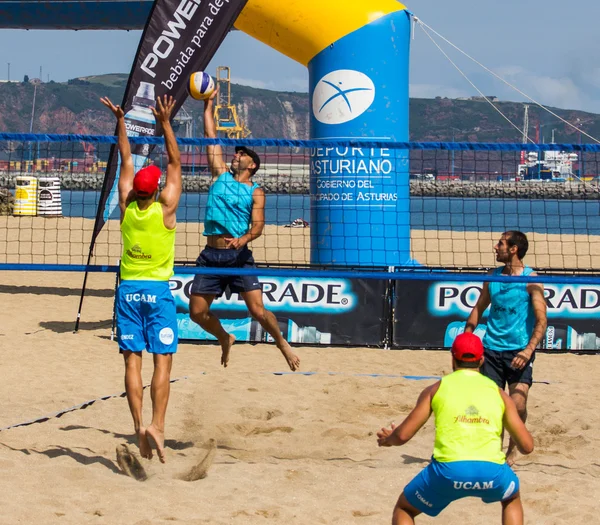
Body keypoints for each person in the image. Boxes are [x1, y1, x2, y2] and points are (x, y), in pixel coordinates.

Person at [188, 87, 300, 371]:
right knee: (197, 313)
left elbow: (259, 226)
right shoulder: (219, 174)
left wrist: (244, 238)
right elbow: (210, 137)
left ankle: (282, 345)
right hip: (211, 255)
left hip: (238, 257)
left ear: (253, 165)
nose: (236, 155)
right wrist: (207, 105)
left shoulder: (256, 191)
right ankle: (226, 338)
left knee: (257, 310)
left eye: (242, 155)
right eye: (236, 153)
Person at [377, 332, 534, 525]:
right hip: (492, 472)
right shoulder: (499, 393)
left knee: (405, 509)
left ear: (452, 359)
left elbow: (402, 436)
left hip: (448, 471)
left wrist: (388, 439)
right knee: (511, 497)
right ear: (482, 360)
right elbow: (527, 446)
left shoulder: (435, 389)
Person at [101, 94, 181, 464]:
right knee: (161, 363)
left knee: (131, 363)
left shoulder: (126, 208)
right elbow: (176, 162)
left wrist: (121, 121)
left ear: (136, 190)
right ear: (158, 189)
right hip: (158, 291)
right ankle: (158, 426)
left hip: (128, 290)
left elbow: (126, 157)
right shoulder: (166, 211)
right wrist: (165, 123)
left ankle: (137, 427)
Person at [465, 230, 546, 465]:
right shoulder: (493, 276)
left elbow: (541, 320)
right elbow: (479, 308)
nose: (495, 247)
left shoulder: (531, 279)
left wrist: (528, 351)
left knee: (518, 404)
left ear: (513, 249)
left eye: (500, 243)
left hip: (519, 350)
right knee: (493, 406)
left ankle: (512, 449)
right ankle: (494, 452)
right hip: (490, 350)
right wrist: (467, 336)